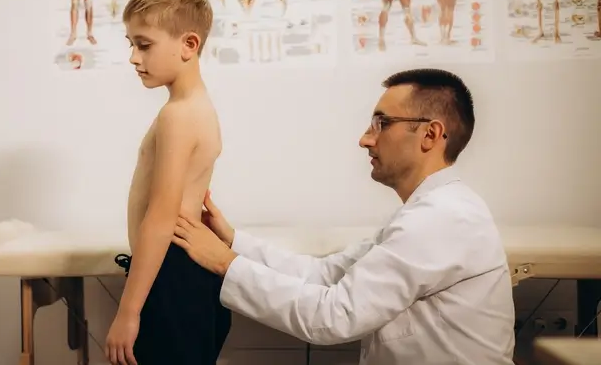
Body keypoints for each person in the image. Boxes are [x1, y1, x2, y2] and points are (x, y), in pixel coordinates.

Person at [172, 69, 516, 364]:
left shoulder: (441, 220)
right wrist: (232, 241)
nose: (366, 139)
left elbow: (333, 316)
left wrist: (224, 263)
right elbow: (325, 274)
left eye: (382, 123)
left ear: (431, 134)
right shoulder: (428, 213)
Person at [105, 0, 231, 365]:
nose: (133, 57)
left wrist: (128, 311)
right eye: (131, 44)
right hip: (183, 274)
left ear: (189, 45)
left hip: (173, 275)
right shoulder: (197, 107)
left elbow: (160, 217)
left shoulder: (178, 115)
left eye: (144, 45)